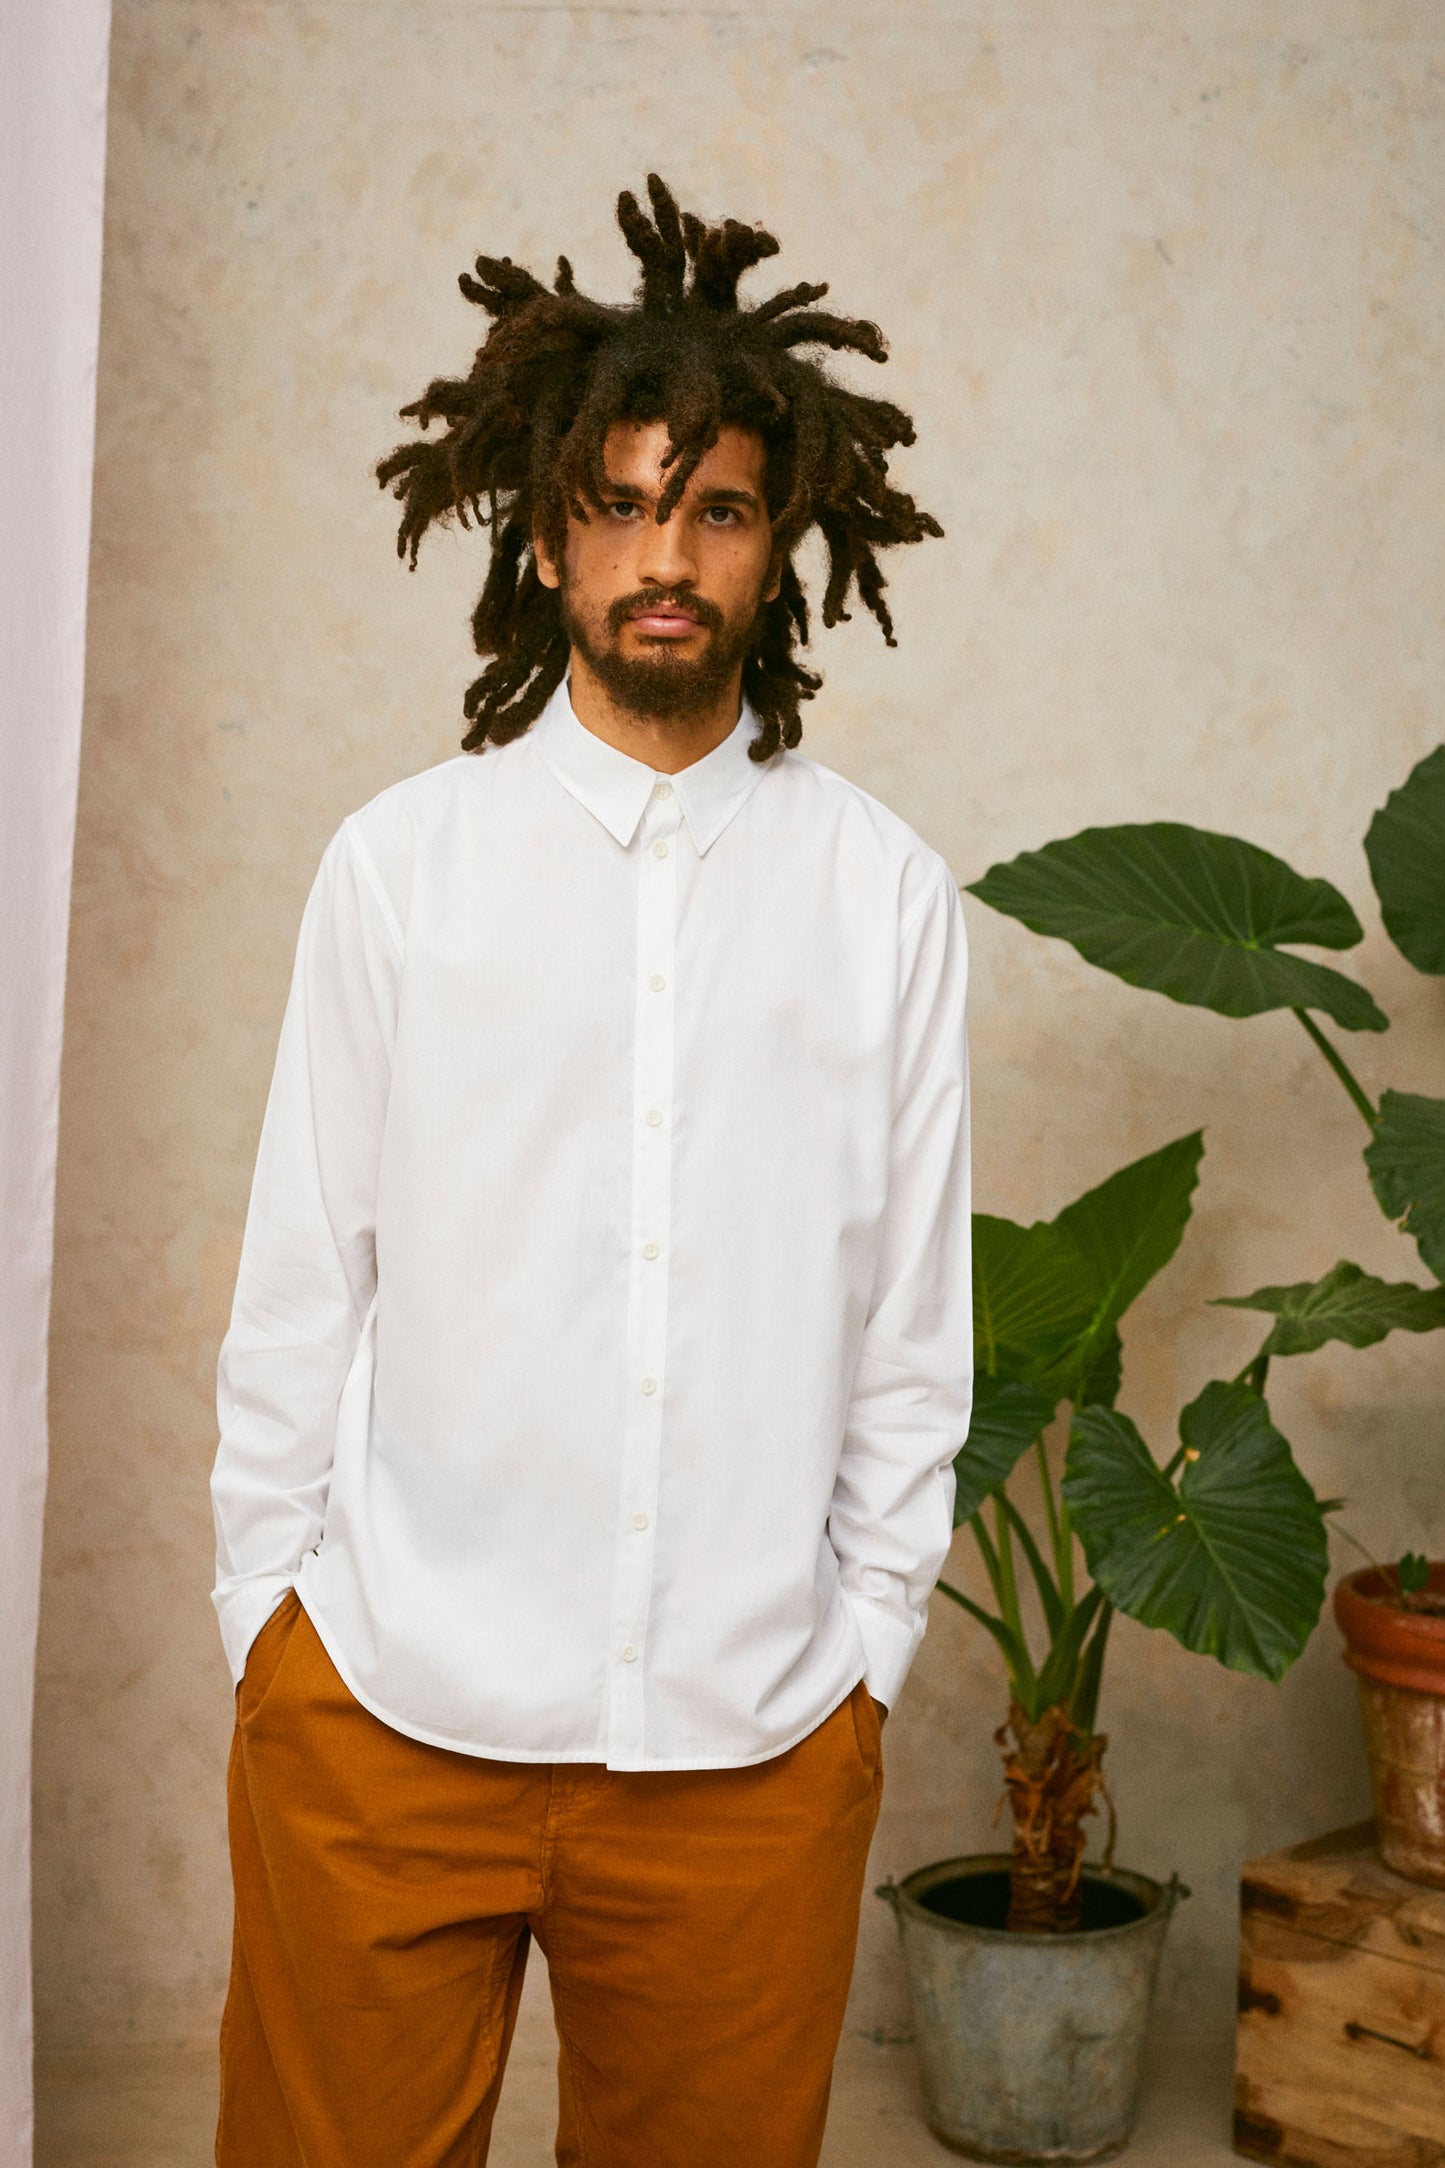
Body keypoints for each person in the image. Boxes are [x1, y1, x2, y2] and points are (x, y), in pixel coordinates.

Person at [209, 173, 972, 2168]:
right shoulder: (401, 865)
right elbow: (309, 1268)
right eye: (623, 504)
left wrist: (869, 1642)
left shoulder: (881, 896)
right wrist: (265, 1613)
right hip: (384, 1706)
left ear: (775, 541)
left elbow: (911, 1322)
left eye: (713, 508)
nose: (667, 553)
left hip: (747, 1744)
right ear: (546, 540)